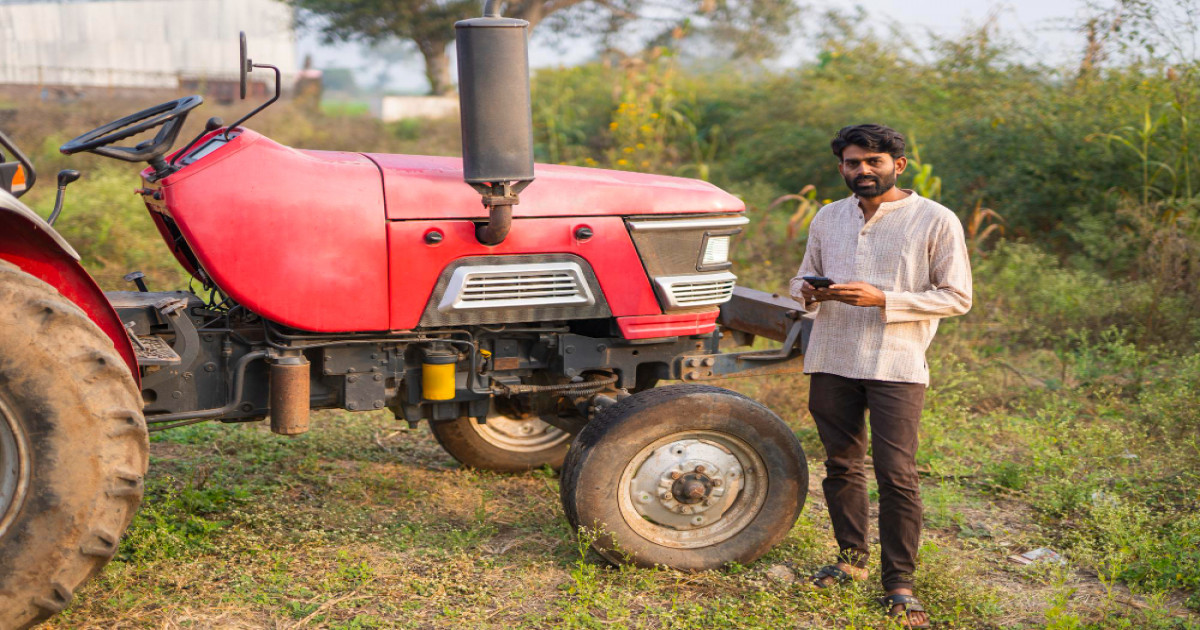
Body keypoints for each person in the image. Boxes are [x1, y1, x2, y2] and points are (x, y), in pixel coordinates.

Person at [789, 124, 972, 629]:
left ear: (898, 165)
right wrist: (808, 290)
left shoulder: (934, 219)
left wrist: (884, 299)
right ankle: (850, 561)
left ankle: (900, 584)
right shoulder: (829, 216)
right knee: (842, 466)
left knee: (897, 475)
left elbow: (956, 296)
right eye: (852, 163)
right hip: (832, 357)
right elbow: (801, 275)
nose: (863, 171)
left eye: (873, 161)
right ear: (841, 167)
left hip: (897, 361)